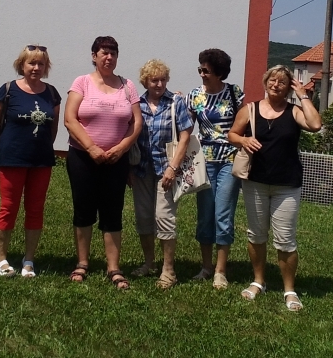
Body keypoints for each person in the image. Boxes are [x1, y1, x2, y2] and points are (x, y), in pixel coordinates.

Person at [228, 65, 322, 311]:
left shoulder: (294, 111)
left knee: (285, 240)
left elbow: (315, 125)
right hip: (255, 182)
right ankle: (258, 281)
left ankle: (289, 290)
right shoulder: (250, 109)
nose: (276, 84)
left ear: (289, 86)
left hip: (286, 186)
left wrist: (302, 95)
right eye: (272, 80)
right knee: (256, 235)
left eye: (282, 81)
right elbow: (232, 135)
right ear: (265, 82)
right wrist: (244, 139)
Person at [63, 36, 143, 291]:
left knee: (113, 211)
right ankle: (82, 263)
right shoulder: (82, 82)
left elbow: (136, 122)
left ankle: (113, 268)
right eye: (103, 52)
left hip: (116, 160)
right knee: (83, 209)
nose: (109, 57)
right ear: (94, 56)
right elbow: (70, 119)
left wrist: (122, 148)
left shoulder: (127, 85)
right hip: (82, 158)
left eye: (113, 53)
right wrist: (91, 148)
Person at [0, 45, 60, 278]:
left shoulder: (52, 93)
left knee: (36, 209)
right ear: (22, 65)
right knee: (8, 208)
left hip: (41, 160)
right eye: (31, 63)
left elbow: (53, 127)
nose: (36, 68)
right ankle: (2, 259)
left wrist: (42, 147)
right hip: (11, 158)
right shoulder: (8, 90)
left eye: (41, 64)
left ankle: (28, 260)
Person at [130, 59, 194, 289]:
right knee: (143, 217)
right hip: (141, 169)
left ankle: (169, 270)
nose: (159, 84)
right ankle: (149, 263)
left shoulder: (176, 102)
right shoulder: (137, 103)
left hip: (167, 169)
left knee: (164, 217)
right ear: (145, 81)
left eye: (163, 79)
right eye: (154, 80)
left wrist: (173, 167)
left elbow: (185, 136)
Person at [186, 48, 244, 290]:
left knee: (223, 213)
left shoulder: (234, 92)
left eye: (206, 70)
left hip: (230, 160)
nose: (201, 74)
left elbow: (245, 123)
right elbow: (186, 127)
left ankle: (221, 271)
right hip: (204, 161)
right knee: (205, 213)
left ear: (219, 73)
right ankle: (206, 266)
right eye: (200, 69)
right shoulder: (194, 96)